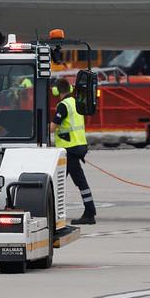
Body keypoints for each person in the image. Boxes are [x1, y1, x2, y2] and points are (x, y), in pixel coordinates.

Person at [53, 79, 96, 224]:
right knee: (79, 180)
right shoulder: (75, 102)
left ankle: (51, 213)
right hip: (79, 146)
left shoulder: (63, 106)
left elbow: (53, 127)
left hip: (69, 149)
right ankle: (90, 211)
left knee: (54, 182)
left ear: (57, 91)